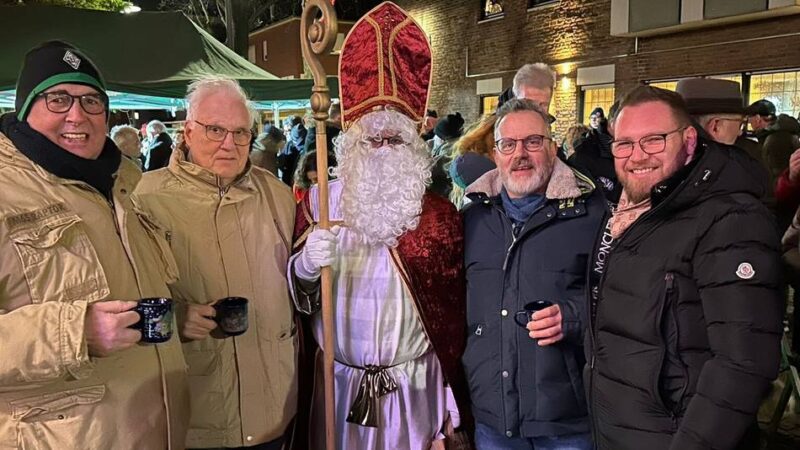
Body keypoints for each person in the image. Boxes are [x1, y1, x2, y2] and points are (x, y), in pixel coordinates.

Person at [288, 3, 471, 449]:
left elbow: (450, 321)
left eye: (396, 139)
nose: (384, 149)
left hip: (415, 390)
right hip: (339, 386)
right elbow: (296, 300)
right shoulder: (320, 203)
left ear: (414, 144)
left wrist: (451, 405)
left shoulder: (437, 216)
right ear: (353, 142)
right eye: (374, 139)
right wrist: (306, 267)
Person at [0, 40, 188, 449]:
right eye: (58, 98)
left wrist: (181, 318)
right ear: (25, 108)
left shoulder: (120, 188)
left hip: (155, 431)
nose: (77, 115)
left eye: (91, 101)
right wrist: (74, 332)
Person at [587, 86, 782, 449]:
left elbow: (743, 364)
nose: (637, 156)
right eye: (624, 144)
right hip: (620, 430)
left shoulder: (731, 219)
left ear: (689, 140)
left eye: (654, 140)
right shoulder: (630, 211)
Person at [132, 76, 297, 450]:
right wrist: (175, 316)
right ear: (188, 131)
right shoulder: (144, 199)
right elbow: (121, 296)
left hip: (275, 406)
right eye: (215, 130)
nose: (229, 144)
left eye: (240, 132)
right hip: (198, 414)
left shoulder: (277, 195)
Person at [462, 98, 604, 449]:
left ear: (553, 149)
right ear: (495, 155)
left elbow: (625, 298)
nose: (520, 154)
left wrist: (573, 318)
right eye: (508, 144)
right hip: (493, 418)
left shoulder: (593, 215)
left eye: (533, 142)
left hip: (565, 420)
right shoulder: (472, 219)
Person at [746, 99, 800, 185]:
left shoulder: (775, 140)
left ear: (758, 118)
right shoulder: (782, 132)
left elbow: (777, 176)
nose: (751, 125)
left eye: (750, 120)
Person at [430, 112, 465, 198]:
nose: (435, 138)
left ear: (444, 138)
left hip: (447, 196)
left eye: (437, 136)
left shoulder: (448, 153)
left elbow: (431, 173)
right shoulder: (459, 144)